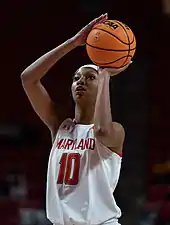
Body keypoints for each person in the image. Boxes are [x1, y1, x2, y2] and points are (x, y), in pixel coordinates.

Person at [21, 13, 131, 225]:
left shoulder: (115, 131)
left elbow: (100, 130)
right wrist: (73, 43)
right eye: (76, 78)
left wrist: (105, 71)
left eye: (90, 78)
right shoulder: (60, 124)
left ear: (103, 86)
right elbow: (28, 79)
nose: (81, 81)